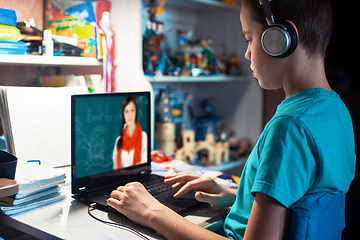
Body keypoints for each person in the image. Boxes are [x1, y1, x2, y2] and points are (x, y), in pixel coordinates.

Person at [107, 0, 356, 239]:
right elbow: (298, 200)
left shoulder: (290, 127)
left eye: (249, 39)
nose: (247, 53)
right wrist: (234, 195)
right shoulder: (335, 111)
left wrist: (153, 212)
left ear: (279, 39)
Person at [113, 95, 147, 169]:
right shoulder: (119, 141)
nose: (129, 115)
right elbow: (115, 168)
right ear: (123, 114)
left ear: (136, 112)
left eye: (132, 110)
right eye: (126, 111)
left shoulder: (143, 137)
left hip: (138, 177)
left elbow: (144, 163)